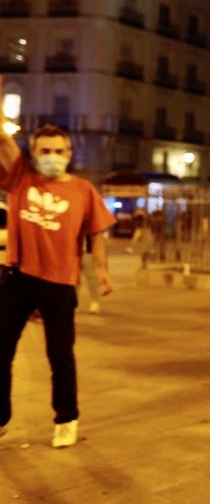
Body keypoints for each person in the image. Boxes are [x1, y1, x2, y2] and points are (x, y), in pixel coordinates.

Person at [0, 123, 116, 448]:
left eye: (58, 151)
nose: (52, 157)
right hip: (18, 277)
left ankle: (66, 418)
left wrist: (103, 270)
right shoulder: (21, 177)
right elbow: (2, 140)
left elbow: (96, 233)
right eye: (44, 151)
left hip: (60, 283)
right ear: (33, 154)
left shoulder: (83, 190)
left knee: (60, 355)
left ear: (69, 153)